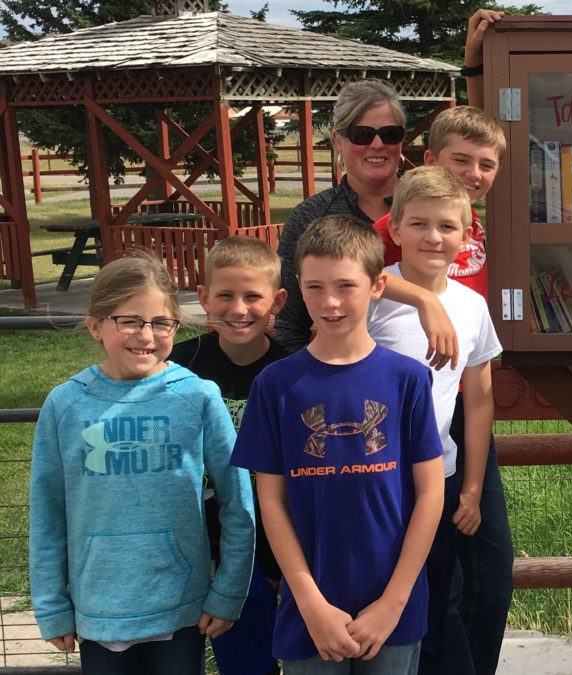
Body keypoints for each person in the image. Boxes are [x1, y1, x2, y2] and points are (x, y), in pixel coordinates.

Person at [231, 215, 444, 673]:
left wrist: (393, 602)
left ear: (377, 285)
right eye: (314, 287)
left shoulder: (407, 380)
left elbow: (430, 493)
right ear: (298, 287)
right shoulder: (275, 385)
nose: (329, 302)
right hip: (308, 609)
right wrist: (310, 603)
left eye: (346, 285)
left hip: (394, 606)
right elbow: (270, 502)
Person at [29, 254, 255, 674]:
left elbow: (238, 502)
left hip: (181, 609)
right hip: (97, 612)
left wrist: (229, 591)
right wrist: (51, 605)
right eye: (129, 320)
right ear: (96, 325)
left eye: (160, 322)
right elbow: (47, 513)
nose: (146, 335)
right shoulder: (65, 405)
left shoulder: (199, 397)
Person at [370, 104, 512, 675]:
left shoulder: (472, 304)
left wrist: (473, 486)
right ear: (395, 227)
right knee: (385, 593)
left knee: (443, 590)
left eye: (447, 226)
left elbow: (478, 397)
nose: (434, 236)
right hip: (375, 470)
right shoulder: (372, 290)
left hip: (444, 470)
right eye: (421, 225)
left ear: (465, 231)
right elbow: (345, 287)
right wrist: (423, 299)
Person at [169, 236, 289, 675]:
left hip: (263, 546)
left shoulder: (290, 372)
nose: (239, 310)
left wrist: (276, 563)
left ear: (276, 301)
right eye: (224, 295)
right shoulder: (176, 368)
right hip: (189, 539)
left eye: (252, 296)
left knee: (251, 661)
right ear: (203, 299)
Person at [274, 80, 457, 368]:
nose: (377, 144)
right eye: (361, 135)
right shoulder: (310, 217)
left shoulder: (437, 209)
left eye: (390, 134)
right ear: (338, 140)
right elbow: (290, 324)